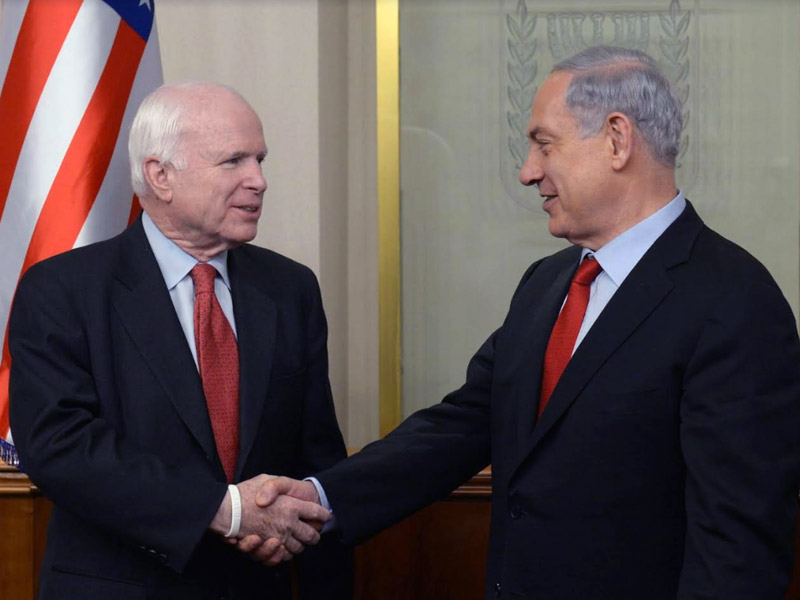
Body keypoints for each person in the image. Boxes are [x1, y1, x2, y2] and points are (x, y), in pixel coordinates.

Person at [247, 46, 800, 598]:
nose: (528, 171)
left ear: (616, 139)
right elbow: (464, 424)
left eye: (543, 143)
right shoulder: (548, 282)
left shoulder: (734, 302)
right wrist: (318, 499)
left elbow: (737, 549)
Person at [9, 83, 352, 599]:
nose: (259, 180)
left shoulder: (290, 288)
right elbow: (60, 447)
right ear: (160, 176)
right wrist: (226, 511)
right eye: (233, 161)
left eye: (259, 159)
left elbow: (316, 453)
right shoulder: (62, 290)